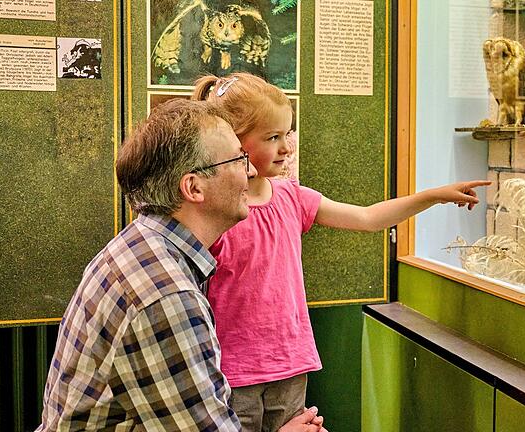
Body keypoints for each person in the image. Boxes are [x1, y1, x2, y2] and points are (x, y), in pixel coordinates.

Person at [192, 73, 490, 432]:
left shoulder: (291, 197)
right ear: (234, 141)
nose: (287, 147)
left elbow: (366, 218)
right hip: (232, 369)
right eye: (273, 137)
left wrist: (433, 196)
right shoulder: (219, 209)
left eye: (288, 133)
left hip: (290, 363)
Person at [36, 99, 327, 432]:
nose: (249, 171)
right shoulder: (167, 295)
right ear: (193, 187)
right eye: (238, 159)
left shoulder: (142, 246)